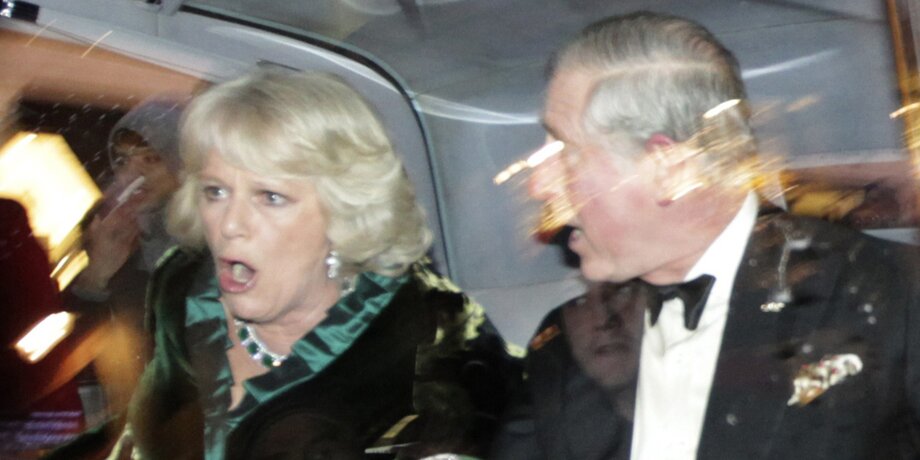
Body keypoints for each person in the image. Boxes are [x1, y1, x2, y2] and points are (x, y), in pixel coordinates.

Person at [495, 11, 920, 460]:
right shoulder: (566, 346)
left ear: (669, 169)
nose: (538, 185)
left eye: (565, 152)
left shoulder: (894, 298)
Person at [120, 70, 519, 459]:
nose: (230, 224)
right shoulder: (183, 291)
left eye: (270, 197)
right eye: (216, 191)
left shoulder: (435, 343)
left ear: (343, 212)